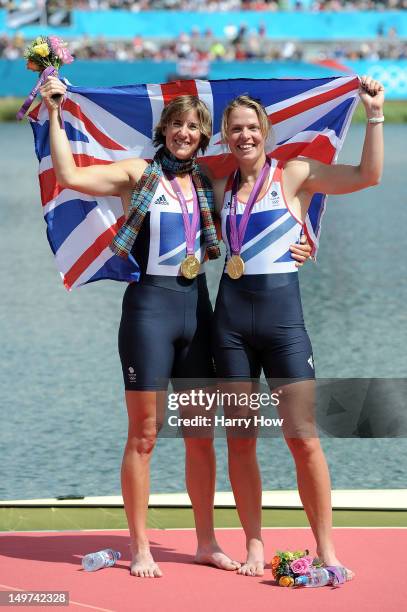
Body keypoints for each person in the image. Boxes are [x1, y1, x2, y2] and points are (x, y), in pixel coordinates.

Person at [39, 78, 311, 578]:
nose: (185, 132)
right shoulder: (135, 174)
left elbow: (272, 197)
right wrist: (56, 114)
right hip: (149, 312)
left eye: (193, 127)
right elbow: (70, 175)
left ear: (204, 137)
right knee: (144, 434)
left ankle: (206, 542)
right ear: (163, 129)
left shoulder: (208, 181)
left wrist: (304, 241)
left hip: (198, 312)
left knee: (200, 434)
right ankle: (140, 546)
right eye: (177, 124)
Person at [210, 76, 384, 578]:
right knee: (240, 440)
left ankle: (326, 549)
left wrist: (374, 116)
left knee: (303, 436)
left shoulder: (295, 174)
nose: (244, 136)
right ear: (225, 136)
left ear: (266, 131)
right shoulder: (219, 189)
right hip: (231, 327)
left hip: (285, 325)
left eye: (252, 128)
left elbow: (366, 176)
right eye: (235, 129)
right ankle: (254, 545)